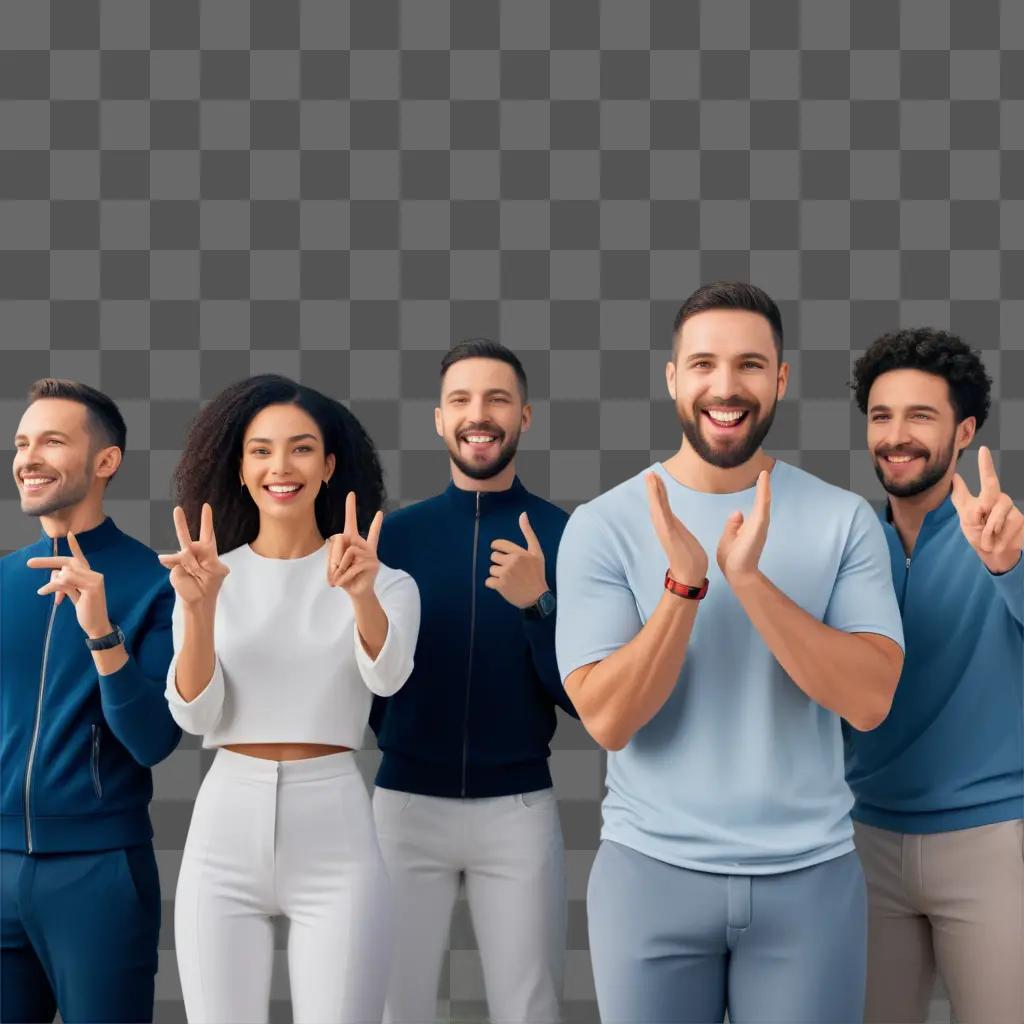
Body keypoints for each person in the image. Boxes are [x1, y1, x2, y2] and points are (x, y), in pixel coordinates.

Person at [555, 282, 906, 1023]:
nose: (726, 386)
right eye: (704, 363)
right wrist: (684, 588)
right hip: (649, 876)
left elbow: (871, 702)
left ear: (779, 380)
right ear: (673, 377)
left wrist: (747, 581)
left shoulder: (844, 520)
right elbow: (608, 720)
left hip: (809, 881)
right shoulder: (604, 523)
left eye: (749, 364)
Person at [163, 374, 419, 1024]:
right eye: (261, 450)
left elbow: (386, 678)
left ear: (330, 466)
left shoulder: (384, 580)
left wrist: (360, 595)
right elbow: (195, 714)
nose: (282, 466)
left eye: (302, 448)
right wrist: (199, 611)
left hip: (333, 820)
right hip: (225, 822)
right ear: (241, 469)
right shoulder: (207, 576)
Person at [369, 339, 576, 1024]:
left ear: (526, 416)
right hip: (403, 807)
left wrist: (538, 604)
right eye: (461, 399)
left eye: (496, 399)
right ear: (437, 418)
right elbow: (369, 678)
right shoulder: (393, 539)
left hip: (518, 811)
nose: (477, 414)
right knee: (397, 1007)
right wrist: (402, 739)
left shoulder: (566, 534)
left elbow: (580, 696)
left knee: (531, 1008)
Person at [845, 328, 1023, 1024]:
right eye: (881, 416)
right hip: (863, 846)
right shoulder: (850, 540)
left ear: (965, 430)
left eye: (921, 416)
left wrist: (1009, 568)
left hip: (989, 843)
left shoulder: (1003, 534)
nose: (896, 436)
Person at [1, 378, 181, 1024]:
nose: (28, 458)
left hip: (99, 876)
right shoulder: (1, 580)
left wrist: (102, 631)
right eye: (22, 443)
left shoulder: (156, 584)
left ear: (106, 461)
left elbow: (154, 740)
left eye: (52, 440)